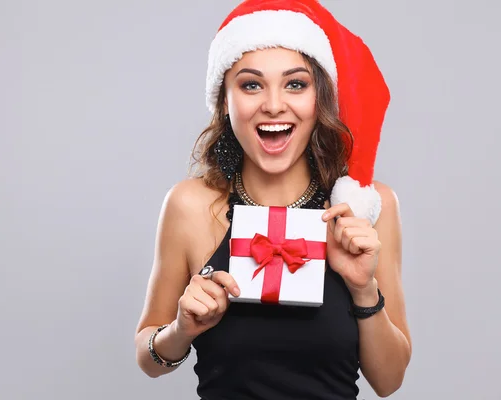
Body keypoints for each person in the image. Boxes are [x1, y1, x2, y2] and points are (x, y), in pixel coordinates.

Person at [134, 0, 412, 398]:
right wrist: (181, 329)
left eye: (296, 84)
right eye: (251, 84)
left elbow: (390, 381)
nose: (274, 104)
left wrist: (363, 288)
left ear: (320, 98)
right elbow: (148, 358)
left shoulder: (366, 208)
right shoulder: (190, 206)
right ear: (225, 100)